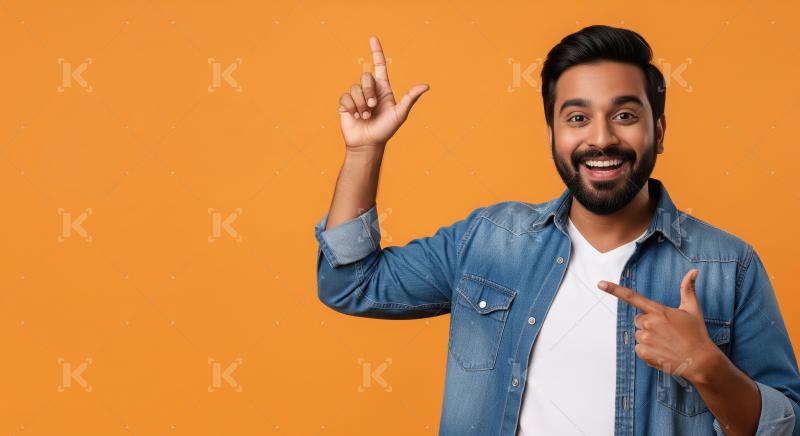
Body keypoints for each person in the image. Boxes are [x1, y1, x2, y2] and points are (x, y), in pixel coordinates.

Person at [314, 25, 800, 435]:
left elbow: (787, 424)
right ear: (552, 134)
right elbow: (349, 283)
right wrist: (364, 153)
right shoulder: (487, 241)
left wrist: (708, 369)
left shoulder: (727, 265)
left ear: (661, 130)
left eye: (625, 115)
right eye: (578, 118)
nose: (602, 137)